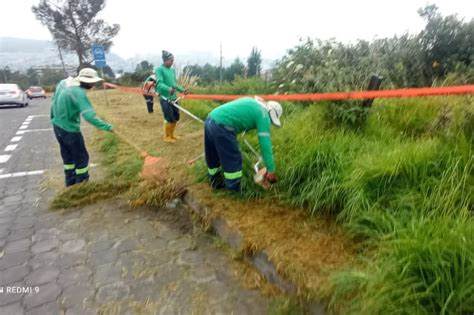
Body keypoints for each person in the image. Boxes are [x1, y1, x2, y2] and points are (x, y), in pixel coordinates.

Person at [204, 96, 282, 192]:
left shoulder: (253, 103)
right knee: (233, 158)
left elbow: (241, 117)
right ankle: (234, 189)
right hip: (223, 125)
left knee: (212, 154)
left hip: (210, 119)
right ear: (272, 113)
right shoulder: (264, 115)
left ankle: (214, 181)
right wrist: (270, 169)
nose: (269, 123)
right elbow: (265, 144)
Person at [51, 68, 113, 187]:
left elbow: (53, 100)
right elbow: (89, 116)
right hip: (70, 129)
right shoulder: (78, 93)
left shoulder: (64, 83)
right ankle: (82, 185)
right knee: (81, 157)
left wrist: (54, 117)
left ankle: (70, 183)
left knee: (68, 157)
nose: (94, 85)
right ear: (87, 82)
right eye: (93, 83)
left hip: (57, 126)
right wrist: (106, 126)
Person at [155, 50, 188, 143]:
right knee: (169, 117)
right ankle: (167, 137)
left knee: (176, 117)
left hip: (174, 98)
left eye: (173, 60)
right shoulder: (159, 70)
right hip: (165, 98)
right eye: (170, 60)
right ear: (165, 60)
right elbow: (159, 84)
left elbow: (174, 84)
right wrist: (168, 89)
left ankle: (172, 135)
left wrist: (182, 90)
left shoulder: (172, 70)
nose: (172, 62)